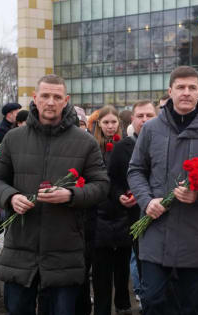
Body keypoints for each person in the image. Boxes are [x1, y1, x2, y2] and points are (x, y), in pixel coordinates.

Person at [0, 74, 110, 315]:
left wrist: (71, 195)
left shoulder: (85, 142)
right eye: (45, 96)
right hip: (20, 249)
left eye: (56, 97)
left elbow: (102, 186)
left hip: (64, 249)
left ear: (66, 100)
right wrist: (11, 197)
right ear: (35, 98)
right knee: (17, 308)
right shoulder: (14, 138)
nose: (50, 102)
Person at [127, 66, 198, 314]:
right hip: (155, 229)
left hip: (196, 235)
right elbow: (135, 170)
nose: (186, 92)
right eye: (180, 87)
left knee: (190, 306)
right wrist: (146, 201)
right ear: (170, 91)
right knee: (153, 301)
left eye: (192, 87)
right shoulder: (151, 129)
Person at [108, 100, 157, 310]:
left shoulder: (165, 142)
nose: (144, 120)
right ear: (132, 119)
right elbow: (113, 181)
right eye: (140, 116)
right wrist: (120, 195)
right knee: (135, 261)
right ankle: (139, 299)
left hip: (160, 215)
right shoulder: (122, 147)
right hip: (131, 217)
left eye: (149, 116)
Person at [89, 105, 132, 315]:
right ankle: (101, 309)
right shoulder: (92, 147)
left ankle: (123, 306)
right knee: (101, 272)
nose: (110, 126)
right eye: (105, 122)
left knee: (122, 270)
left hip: (123, 213)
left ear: (119, 124)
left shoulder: (125, 147)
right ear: (99, 124)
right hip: (100, 216)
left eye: (113, 122)